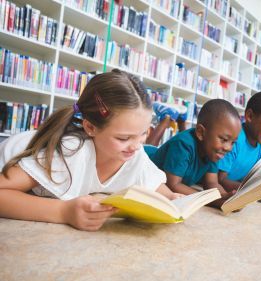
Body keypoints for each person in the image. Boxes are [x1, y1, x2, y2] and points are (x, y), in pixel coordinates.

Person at [0, 69, 180, 231]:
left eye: (143, 133)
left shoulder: (134, 152)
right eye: (123, 138)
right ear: (91, 128)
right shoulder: (70, 152)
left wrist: (173, 198)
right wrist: (63, 212)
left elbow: (157, 186)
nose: (136, 145)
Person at [146, 99, 242, 205]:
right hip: (146, 156)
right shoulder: (182, 144)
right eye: (224, 139)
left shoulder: (213, 151)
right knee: (150, 144)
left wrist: (226, 197)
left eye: (233, 142)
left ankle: (181, 119)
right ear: (200, 132)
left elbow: (211, 183)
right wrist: (211, 200)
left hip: (166, 152)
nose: (228, 148)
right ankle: (166, 117)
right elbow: (173, 185)